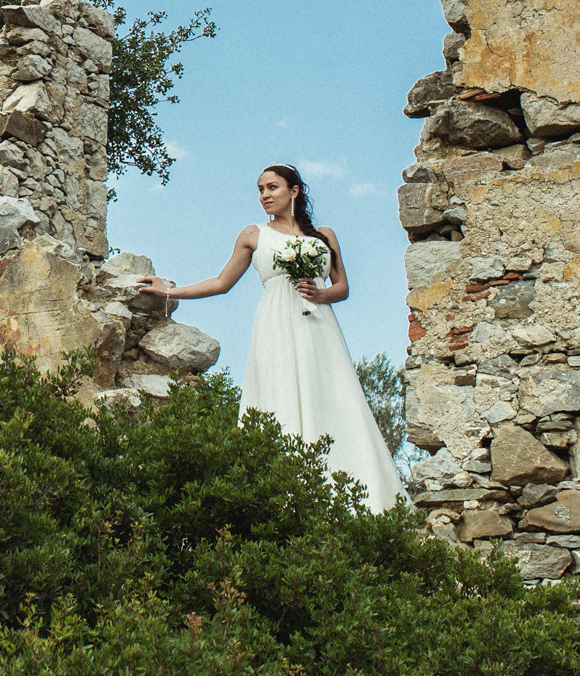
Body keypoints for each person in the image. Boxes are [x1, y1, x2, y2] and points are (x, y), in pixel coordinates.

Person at [141, 164, 409, 511]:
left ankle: (359, 497)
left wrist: (320, 294)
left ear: (294, 191)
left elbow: (341, 286)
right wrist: (168, 292)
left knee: (332, 395)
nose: (264, 195)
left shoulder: (324, 235)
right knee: (277, 393)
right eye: (260, 189)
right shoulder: (254, 234)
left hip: (319, 327)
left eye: (272, 187)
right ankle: (280, 500)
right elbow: (222, 282)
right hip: (275, 325)